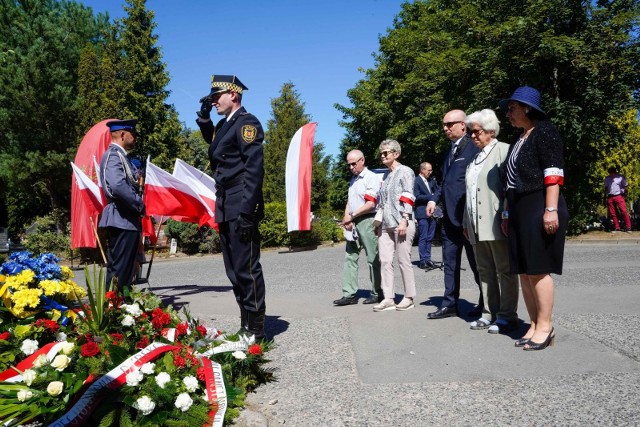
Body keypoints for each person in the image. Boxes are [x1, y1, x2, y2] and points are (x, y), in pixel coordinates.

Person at [196, 74, 267, 340]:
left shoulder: (247, 124)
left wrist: (248, 211)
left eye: (216, 97)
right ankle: (245, 324)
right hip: (226, 204)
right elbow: (214, 144)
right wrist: (204, 118)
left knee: (247, 268)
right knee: (233, 271)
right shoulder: (226, 125)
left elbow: (253, 170)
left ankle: (256, 328)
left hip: (240, 203)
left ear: (233, 95)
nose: (213, 102)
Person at [499, 86, 568, 350]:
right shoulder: (519, 138)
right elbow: (509, 181)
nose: (508, 114)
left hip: (540, 203)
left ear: (528, 107)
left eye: (512, 108)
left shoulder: (545, 131)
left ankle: (546, 327)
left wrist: (550, 210)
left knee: (538, 269)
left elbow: (553, 173)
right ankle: (534, 323)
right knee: (524, 272)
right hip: (518, 207)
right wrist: (507, 213)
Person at [462, 109, 519, 334]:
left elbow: (511, 188)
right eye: (470, 132)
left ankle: (507, 315)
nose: (472, 136)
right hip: (475, 223)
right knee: (484, 269)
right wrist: (466, 223)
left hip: (497, 220)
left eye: (476, 131)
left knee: (503, 270)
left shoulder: (504, 150)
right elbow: (470, 192)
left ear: (491, 131)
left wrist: (507, 215)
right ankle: (488, 313)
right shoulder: (475, 158)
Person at [428, 110, 482, 320]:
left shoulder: (473, 147)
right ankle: (450, 304)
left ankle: (487, 304)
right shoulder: (448, 151)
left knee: (477, 264)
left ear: (463, 125)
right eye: (444, 124)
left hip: (467, 218)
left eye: (449, 124)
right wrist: (434, 199)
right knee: (450, 263)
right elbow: (446, 183)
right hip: (449, 219)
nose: (445, 128)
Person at [98, 119, 145, 300]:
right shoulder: (113, 156)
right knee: (119, 269)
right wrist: (138, 204)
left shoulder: (122, 157)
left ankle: (124, 307)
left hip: (127, 219)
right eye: (133, 134)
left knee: (127, 269)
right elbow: (117, 185)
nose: (135, 138)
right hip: (121, 217)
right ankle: (114, 309)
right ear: (123, 135)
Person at [333, 150, 382, 306]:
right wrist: (346, 217)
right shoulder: (353, 180)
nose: (351, 167)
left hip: (367, 220)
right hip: (353, 221)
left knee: (372, 257)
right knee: (350, 257)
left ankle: (377, 292)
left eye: (354, 163)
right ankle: (349, 294)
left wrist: (351, 215)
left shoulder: (371, 178)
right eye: (349, 164)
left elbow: (370, 204)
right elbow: (350, 201)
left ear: (362, 160)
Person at [373, 139, 417, 312]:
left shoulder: (405, 171)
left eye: (386, 152)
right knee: (384, 261)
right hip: (385, 224)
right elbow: (381, 201)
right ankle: (389, 298)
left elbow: (408, 195)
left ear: (396, 154)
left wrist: (405, 218)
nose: (383, 156)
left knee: (403, 259)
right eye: (381, 153)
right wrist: (378, 222)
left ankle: (408, 297)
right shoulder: (385, 175)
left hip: (401, 222)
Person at [414, 162, 441, 270]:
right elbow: (416, 197)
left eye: (431, 170)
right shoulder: (416, 181)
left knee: (430, 237)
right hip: (422, 212)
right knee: (423, 237)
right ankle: (422, 260)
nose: (430, 172)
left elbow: (438, 190)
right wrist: (431, 196)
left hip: (433, 213)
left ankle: (428, 258)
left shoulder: (431, 180)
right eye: (428, 170)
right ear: (422, 170)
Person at [604, 166, 632, 233]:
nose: (611, 174)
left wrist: (625, 195)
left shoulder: (621, 177)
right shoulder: (607, 179)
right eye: (610, 173)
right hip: (610, 196)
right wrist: (605, 197)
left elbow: (625, 186)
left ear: (615, 172)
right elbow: (605, 188)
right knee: (613, 213)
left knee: (624, 211)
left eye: (612, 173)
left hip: (619, 196)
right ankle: (617, 227)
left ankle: (628, 227)